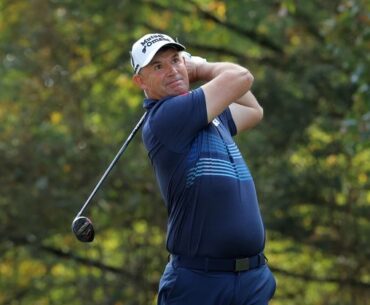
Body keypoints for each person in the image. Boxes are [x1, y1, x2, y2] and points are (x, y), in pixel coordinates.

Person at [130, 33, 276, 305]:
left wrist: (189, 70)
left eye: (176, 60)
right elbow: (242, 77)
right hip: (200, 285)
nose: (172, 70)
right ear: (141, 81)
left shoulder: (210, 115)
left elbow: (253, 109)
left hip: (251, 281)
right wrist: (200, 68)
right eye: (158, 66)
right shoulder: (167, 116)